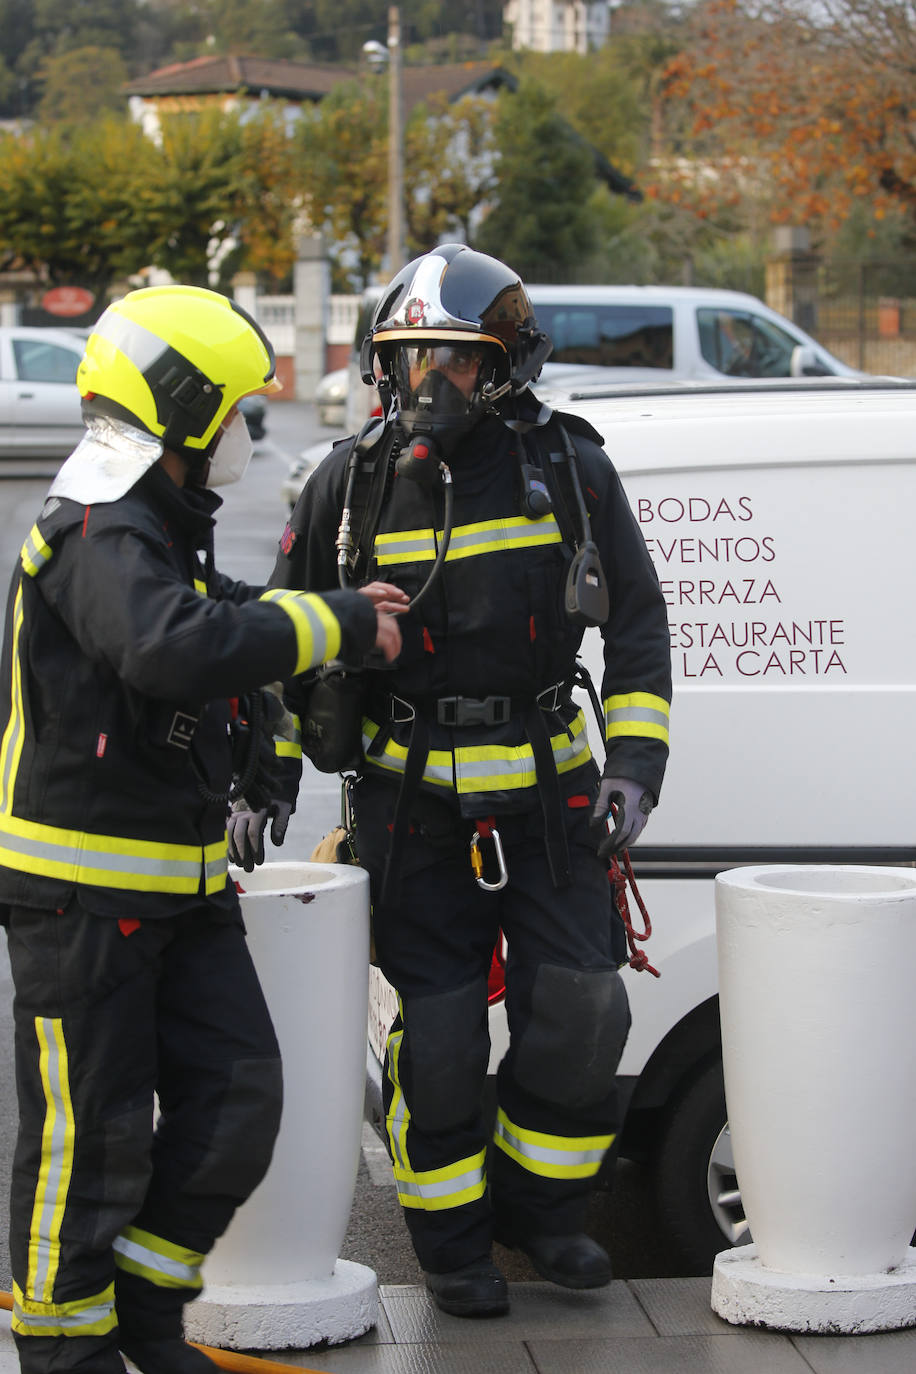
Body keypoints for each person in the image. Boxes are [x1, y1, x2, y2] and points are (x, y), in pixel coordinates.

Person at [0, 284, 402, 1374]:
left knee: (237, 1101)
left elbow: (214, 619)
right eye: (231, 410)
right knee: (87, 1145)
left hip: (177, 888)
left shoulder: (155, 520)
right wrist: (333, 623)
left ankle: (141, 1306)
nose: (242, 432)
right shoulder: (98, 523)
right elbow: (168, 646)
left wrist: (318, 637)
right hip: (83, 902)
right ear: (177, 409)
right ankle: (63, 1349)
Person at [269, 244, 672, 1318]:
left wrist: (635, 767)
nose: (427, 382)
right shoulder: (347, 482)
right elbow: (276, 640)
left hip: (553, 801)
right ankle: (450, 1243)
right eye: (409, 360)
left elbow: (637, 621)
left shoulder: (571, 468)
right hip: (413, 812)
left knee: (582, 1013)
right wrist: (265, 778)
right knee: (443, 1041)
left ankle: (544, 1215)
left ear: (503, 367)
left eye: (452, 360)